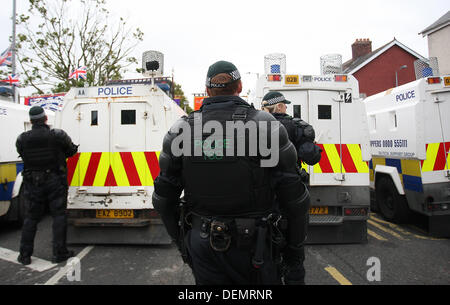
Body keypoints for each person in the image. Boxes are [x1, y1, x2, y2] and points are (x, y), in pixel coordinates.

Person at [152, 60, 310, 285]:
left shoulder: (181, 130)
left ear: (207, 90)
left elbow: (163, 200)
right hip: (257, 247)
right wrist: (294, 253)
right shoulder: (266, 125)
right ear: (239, 86)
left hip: (204, 245)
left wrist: (183, 245)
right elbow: (296, 200)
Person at [261, 91, 322, 284]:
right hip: (291, 197)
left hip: (262, 196)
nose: (286, 107)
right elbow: (311, 157)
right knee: (294, 252)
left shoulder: (253, 126)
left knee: (264, 252)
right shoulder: (296, 126)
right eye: (284, 105)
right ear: (278, 106)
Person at [16, 106, 78, 265]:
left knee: (31, 218)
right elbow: (71, 151)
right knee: (58, 216)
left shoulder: (22, 138)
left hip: (32, 182)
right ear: (45, 119)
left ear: (30, 121)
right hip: (54, 180)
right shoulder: (57, 135)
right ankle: (59, 253)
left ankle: (24, 255)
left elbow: (23, 154)